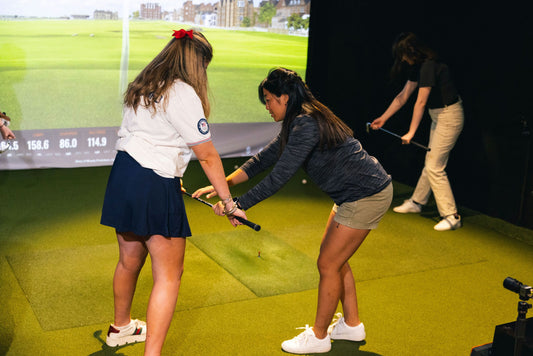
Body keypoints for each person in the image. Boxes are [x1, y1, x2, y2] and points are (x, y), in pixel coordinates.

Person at [193, 67, 393, 354]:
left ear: (284, 98)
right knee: (336, 260)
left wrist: (238, 205)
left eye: (268, 100)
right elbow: (264, 160)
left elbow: (279, 176)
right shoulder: (298, 119)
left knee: (328, 264)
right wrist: (222, 185)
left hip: (364, 195)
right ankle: (352, 325)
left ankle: (320, 337)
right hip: (353, 194)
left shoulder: (306, 122)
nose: (266, 107)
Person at [100, 29, 246, 356]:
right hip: (151, 181)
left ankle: (120, 328)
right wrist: (229, 202)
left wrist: (169, 177)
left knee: (128, 260)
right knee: (169, 276)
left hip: (124, 175)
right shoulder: (181, 92)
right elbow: (207, 155)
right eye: (204, 66)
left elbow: (149, 139)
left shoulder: (143, 84)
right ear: (197, 64)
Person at [371, 32, 464, 231]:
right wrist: (383, 118)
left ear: (412, 51)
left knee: (434, 166)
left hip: (450, 116)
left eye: (403, 54)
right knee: (432, 162)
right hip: (438, 116)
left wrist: (411, 132)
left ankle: (452, 216)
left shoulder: (429, 67)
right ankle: (417, 202)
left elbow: (420, 102)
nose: (402, 59)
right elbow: (403, 96)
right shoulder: (418, 68)